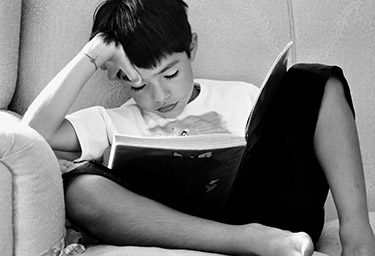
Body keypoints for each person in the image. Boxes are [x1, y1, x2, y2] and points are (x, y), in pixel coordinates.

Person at [23, 0, 375, 255]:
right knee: (79, 189)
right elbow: (31, 140)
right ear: (119, 76)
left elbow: (283, 152)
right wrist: (91, 57)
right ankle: (247, 241)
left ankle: (358, 237)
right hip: (180, 223)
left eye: (170, 73)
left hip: (273, 209)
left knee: (313, 81)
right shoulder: (113, 121)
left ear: (191, 47)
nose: (159, 96)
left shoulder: (241, 95)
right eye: (139, 85)